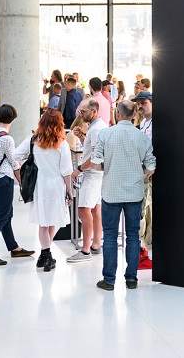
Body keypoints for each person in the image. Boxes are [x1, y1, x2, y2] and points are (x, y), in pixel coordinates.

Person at [93, 100, 155, 291]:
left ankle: (109, 280)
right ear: (134, 115)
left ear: (117, 114)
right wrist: (138, 173)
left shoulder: (105, 134)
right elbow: (151, 167)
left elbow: (95, 164)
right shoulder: (142, 137)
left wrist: (107, 168)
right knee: (133, 236)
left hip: (111, 191)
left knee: (110, 236)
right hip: (134, 192)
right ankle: (131, 279)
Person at [14, 108, 73, 272]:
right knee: (52, 220)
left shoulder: (33, 140)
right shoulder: (63, 144)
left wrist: (26, 164)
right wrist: (70, 191)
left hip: (39, 185)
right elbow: (66, 171)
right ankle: (46, 256)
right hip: (56, 185)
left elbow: (15, 155)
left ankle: (44, 255)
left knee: (43, 223)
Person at [0, 103, 35, 266]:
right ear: (13, 119)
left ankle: (14, 247)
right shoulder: (7, 138)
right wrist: (22, 184)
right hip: (4, 180)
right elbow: (14, 164)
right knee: (0, 217)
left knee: (6, 215)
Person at [66, 98, 105, 263]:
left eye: (83, 112)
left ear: (94, 111)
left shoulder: (96, 129)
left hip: (92, 174)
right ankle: (96, 245)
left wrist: (79, 169)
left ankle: (86, 249)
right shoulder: (95, 128)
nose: (81, 115)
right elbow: (91, 149)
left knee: (83, 210)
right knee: (95, 209)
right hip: (94, 174)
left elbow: (95, 157)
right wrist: (82, 136)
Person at [134, 90, 154, 269]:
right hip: (142, 175)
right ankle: (144, 252)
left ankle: (149, 253)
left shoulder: (156, 123)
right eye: (138, 103)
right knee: (143, 213)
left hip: (151, 175)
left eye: (143, 102)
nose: (140, 106)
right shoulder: (142, 124)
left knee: (149, 213)